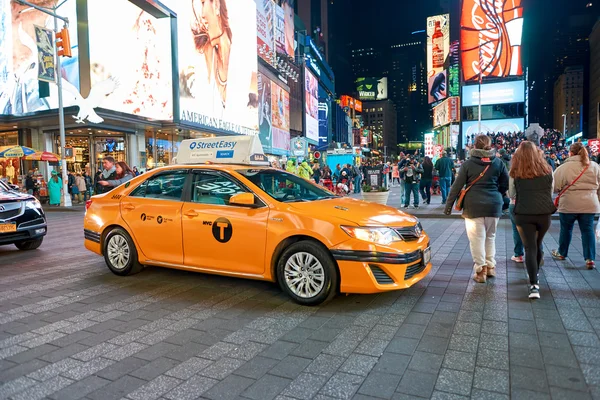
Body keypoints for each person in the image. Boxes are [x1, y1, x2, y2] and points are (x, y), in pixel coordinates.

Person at [445, 135, 509, 283]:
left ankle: (481, 271)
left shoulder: (467, 164)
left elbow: (456, 186)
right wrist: (496, 193)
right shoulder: (498, 163)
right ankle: (491, 267)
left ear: (474, 145)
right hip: (494, 205)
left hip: (473, 206)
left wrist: (448, 206)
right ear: (489, 145)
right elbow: (505, 184)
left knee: (477, 239)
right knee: (490, 237)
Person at [510, 141, 556, 299]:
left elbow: (511, 193)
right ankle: (535, 272)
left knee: (529, 247)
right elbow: (551, 192)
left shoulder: (515, 172)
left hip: (524, 213)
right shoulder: (548, 170)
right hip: (544, 214)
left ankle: (534, 284)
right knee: (537, 244)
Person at [552, 142, 600, 269]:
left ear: (571, 153)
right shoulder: (595, 166)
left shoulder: (563, 168)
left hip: (569, 203)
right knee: (588, 230)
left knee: (566, 229)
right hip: (590, 203)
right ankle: (589, 259)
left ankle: (562, 253)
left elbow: (555, 186)